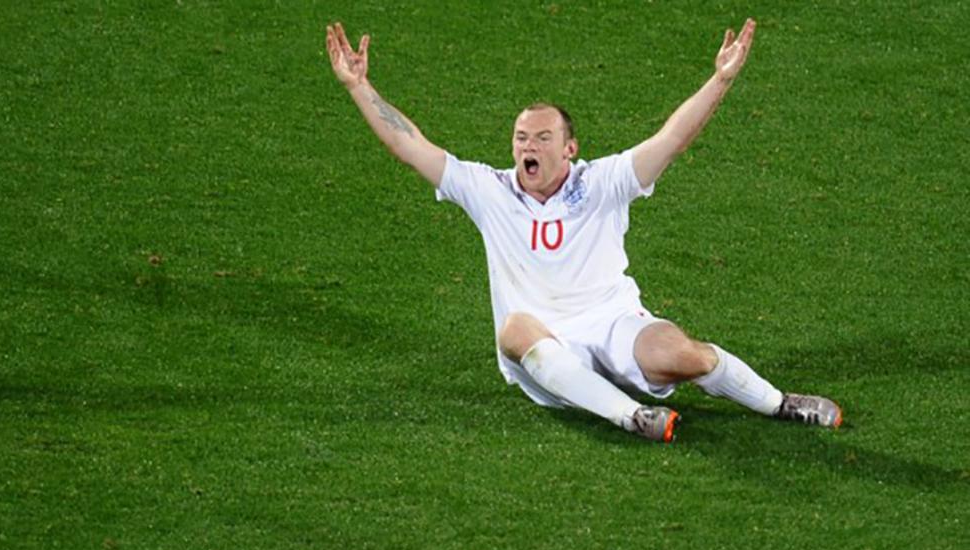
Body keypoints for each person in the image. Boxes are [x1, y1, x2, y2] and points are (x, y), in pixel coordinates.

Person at [324, 19, 841, 442]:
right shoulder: (489, 190)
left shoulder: (604, 182)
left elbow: (672, 139)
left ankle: (780, 404)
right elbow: (410, 145)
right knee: (513, 331)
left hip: (613, 324)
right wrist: (359, 85)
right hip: (546, 347)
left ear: (569, 147)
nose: (529, 146)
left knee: (684, 355)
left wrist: (721, 80)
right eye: (521, 137)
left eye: (543, 137)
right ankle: (630, 416)